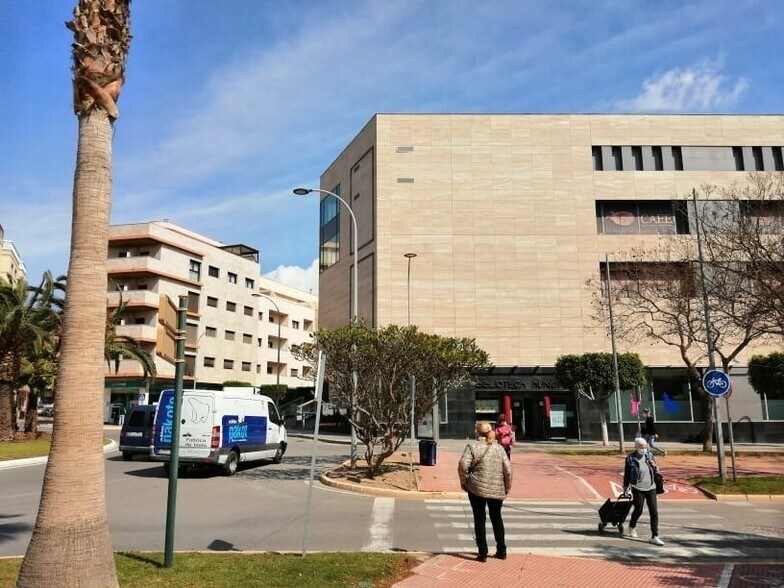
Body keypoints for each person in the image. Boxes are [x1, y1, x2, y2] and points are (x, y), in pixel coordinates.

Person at [457, 421, 513, 562]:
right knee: (496, 518)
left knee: (479, 519)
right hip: (496, 489)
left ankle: (482, 553)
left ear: (477, 432)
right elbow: (508, 470)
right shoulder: (499, 449)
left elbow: (463, 464)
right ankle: (502, 550)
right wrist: (507, 487)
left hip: (476, 488)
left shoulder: (472, 446)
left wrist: (464, 481)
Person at [623, 437, 664, 546]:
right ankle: (632, 526)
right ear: (635, 447)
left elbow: (657, 470)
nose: (643, 449)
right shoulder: (630, 458)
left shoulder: (649, 455)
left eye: (645, 447)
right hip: (638, 488)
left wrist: (655, 466)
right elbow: (627, 474)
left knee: (654, 512)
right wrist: (625, 488)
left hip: (651, 487)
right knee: (639, 509)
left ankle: (655, 536)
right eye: (641, 447)